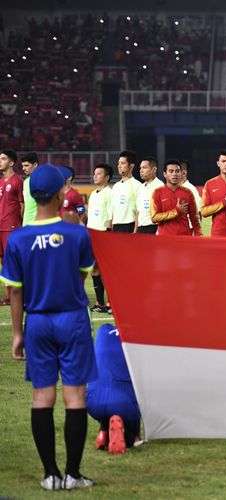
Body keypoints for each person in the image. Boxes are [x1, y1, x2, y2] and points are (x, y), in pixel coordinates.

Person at [0, 165, 97, 490]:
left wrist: (17, 333)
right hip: (72, 319)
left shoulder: (18, 239)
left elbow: (16, 292)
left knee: (42, 397)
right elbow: (82, 275)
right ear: (60, 194)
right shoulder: (77, 233)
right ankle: (73, 474)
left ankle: (49, 475)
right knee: (75, 396)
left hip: (37, 323)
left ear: (30, 195)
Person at [86, 324, 141, 455]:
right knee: (135, 435)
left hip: (92, 401)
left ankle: (103, 432)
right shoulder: (137, 334)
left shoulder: (103, 330)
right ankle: (131, 437)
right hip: (123, 402)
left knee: (108, 402)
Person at [86, 164, 113, 313]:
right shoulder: (93, 194)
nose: (95, 176)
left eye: (98, 173)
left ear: (107, 177)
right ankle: (100, 303)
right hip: (92, 236)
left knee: (106, 272)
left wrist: (107, 235)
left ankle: (111, 304)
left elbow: (110, 216)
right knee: (94, 270)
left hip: (103, 236)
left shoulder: (109, 193)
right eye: (94, 173)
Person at [150, 159, 201, 236]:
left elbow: (195, 218)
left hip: (184, 238)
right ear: (165, 174)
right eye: (171, 171)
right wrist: (176, 211)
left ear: (181, 173)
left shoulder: (188, 192)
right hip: (165, 238)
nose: (174, 174)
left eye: (177, 171)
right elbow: (154, 218)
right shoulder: (157, 193)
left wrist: (198, 235)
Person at [0, 149, 24, 306]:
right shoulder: (1, 181)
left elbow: (22, 205)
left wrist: (20, 225)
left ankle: (15, 296)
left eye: (2, 158)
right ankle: (8, 296)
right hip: (0, 225)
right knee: (3, 261)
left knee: (12, 262)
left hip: (11, 226)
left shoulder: (17, 180)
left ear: (11, 162)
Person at [111, 150, 140, 233]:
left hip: (129, 226)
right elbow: (113, 211)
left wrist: (135, 231)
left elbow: (139, 211)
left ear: (131, 166)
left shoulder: (137, 185)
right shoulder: (115, 186)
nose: (119, 166)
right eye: (118, 163)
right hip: (116, 227)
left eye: (123, 163)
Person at [134, 157, 163, 234]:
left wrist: (159, 232)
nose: (141, 170)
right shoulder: (140, 187)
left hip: (154, 227)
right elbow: (138, 211)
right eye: (140, 168)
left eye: (144, 167)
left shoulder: (160, 186)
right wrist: (135, 231)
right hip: (141, 228)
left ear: (154, 170)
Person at [180, 159, 202, 228]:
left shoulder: (191, 189)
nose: (173, 174)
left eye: (176, 171)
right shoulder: (173, 189)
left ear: (184, 173)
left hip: (188, 229)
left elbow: (198, 213)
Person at [21, 152, 39, 226]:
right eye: (22, 166)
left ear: (35, 165)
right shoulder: (26, 181)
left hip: (37, 224)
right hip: (26, 224)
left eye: (26, 165)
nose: (23, 168)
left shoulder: (42, 180)